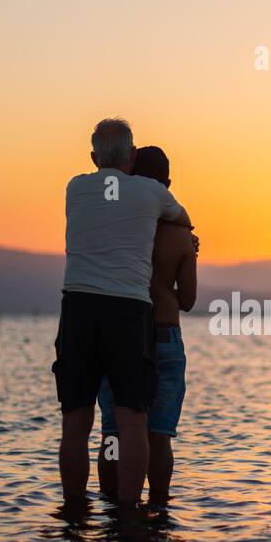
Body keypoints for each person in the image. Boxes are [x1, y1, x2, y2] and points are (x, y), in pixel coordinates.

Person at [52, 119, 192, 504]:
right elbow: (182, 217)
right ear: (131, 155)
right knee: (134, 423)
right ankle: (129, 516)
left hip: (79, 308)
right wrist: (187, 239)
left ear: (93, 157)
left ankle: (75, 513)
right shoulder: (150, 192)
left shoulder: (74, 188)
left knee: (76, 425)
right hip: (128, 313)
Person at [97, 146, 197, 508]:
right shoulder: (181, 233)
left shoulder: (119, 226)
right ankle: (158, 509)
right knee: (159, 437)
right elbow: (187, 300)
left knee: (112, 433)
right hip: (165, 333)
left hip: (121, 335)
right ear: (168, 183)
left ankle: (110, 507)